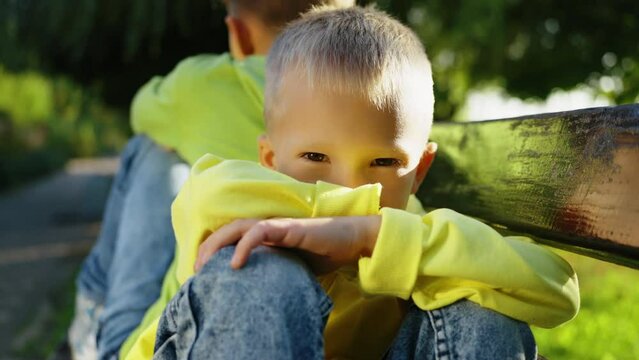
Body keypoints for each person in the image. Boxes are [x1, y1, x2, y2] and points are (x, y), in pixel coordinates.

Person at [126, 5, 580, 359]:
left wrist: (366, 236)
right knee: (257, 264)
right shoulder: (239, 192)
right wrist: (336, 225)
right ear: (269, 158)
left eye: (383, 161)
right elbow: (208, 197)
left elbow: (556, 287)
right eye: (315, 156)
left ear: (418, 171)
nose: (347, 186)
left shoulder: (410, 230)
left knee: (484, 311)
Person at [68, 1, 356, 359]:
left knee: (150, 148)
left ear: (238, 33)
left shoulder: (204, 83)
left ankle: (91, 308)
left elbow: (141, 111)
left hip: (170, 340)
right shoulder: (366, 106)